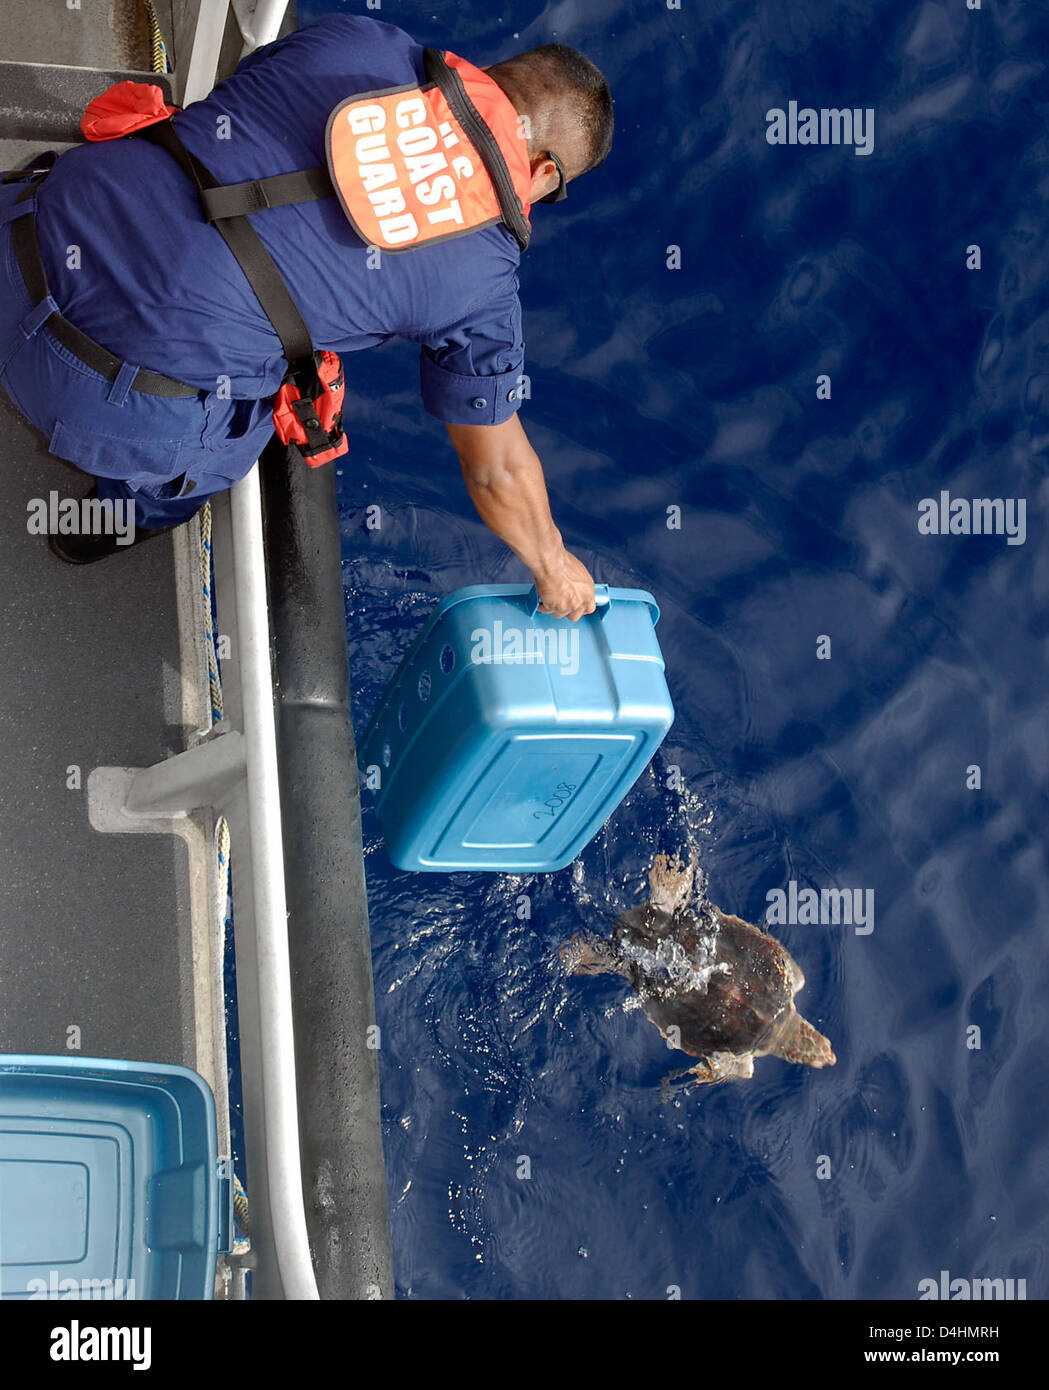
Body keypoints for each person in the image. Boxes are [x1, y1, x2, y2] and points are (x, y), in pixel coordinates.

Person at [0, 13, 612, 620]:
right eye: (552, 194)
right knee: (234, 447)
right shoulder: (486, 286)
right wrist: (554, 565)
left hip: (20, 233)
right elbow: (496, 468)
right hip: (88, 396)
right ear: (543, 172)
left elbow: (235, 110)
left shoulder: (358, 38)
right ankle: (90, 529)